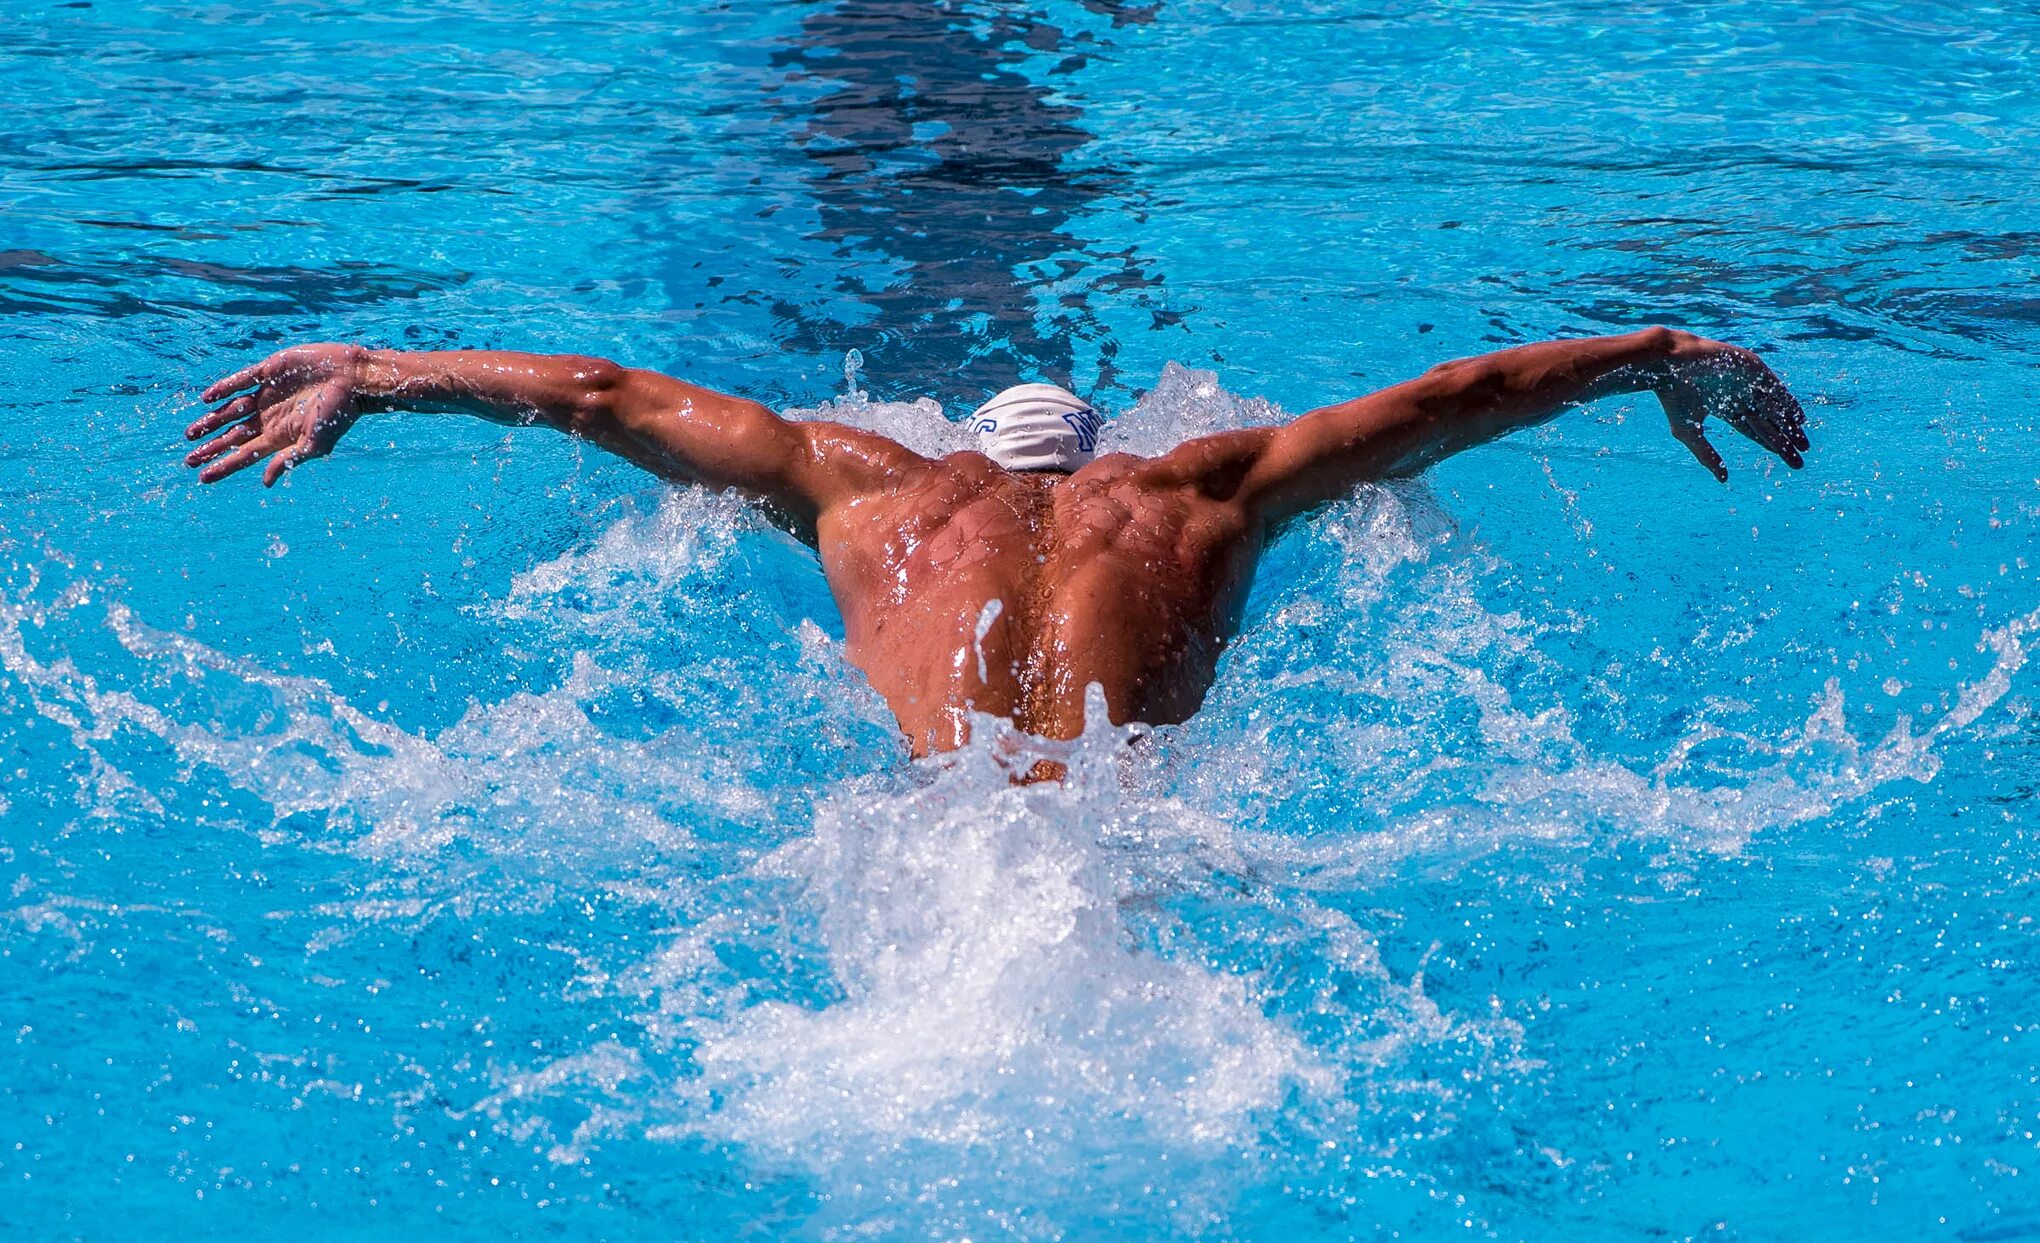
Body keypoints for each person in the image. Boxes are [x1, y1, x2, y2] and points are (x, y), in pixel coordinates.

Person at [184, 328, 1808, 776]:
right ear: (1099, 455)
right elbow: (1456, 398)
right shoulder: (1198, 494)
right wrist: (1659, 348)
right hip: (1130, 853)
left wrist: (385, 378)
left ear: (966, 441)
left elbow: (609, 396)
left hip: (923, 862)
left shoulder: (870, 493)